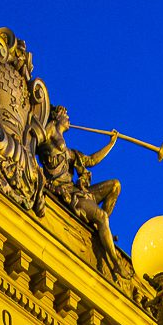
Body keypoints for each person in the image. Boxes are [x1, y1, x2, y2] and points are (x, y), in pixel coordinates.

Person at [38, 109, 123, 276]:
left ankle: (101, 230)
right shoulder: (48, 134)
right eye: (66, 116)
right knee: (102, 216)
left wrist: (110, 144)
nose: (69, 119)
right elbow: (36, 136)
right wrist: (52, 118)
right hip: (65, 192)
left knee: (115, 185)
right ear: (58, 117)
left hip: (77, 190)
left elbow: (91, 160)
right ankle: (115, 263)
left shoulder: (70, 153)